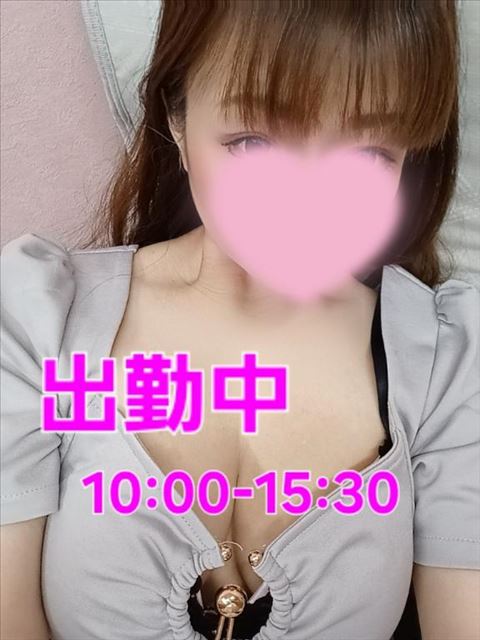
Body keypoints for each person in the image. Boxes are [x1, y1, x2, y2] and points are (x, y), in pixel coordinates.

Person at [1, 1, 479, 639]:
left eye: (368, 154)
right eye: (253, 141)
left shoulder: (446, 361)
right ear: (177, 118)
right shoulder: (40, 321)